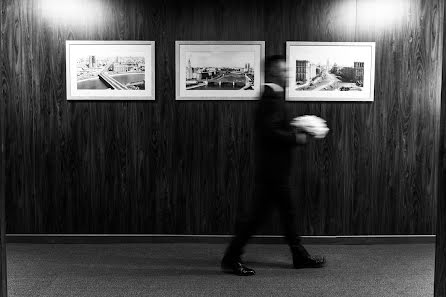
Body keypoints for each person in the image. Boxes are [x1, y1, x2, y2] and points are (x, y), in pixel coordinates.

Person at [221, 55, 326, 276]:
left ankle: (299, 256)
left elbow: (275, 127)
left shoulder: (274, 96)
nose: (288, 74)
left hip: (276, 169)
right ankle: (231, 258)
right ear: (272, 73)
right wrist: (295, 137)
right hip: (272, 171)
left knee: (286, 213)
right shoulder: (269, 98)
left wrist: (296, 126)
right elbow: (268, 132)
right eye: (284, 71)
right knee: (256, 217)